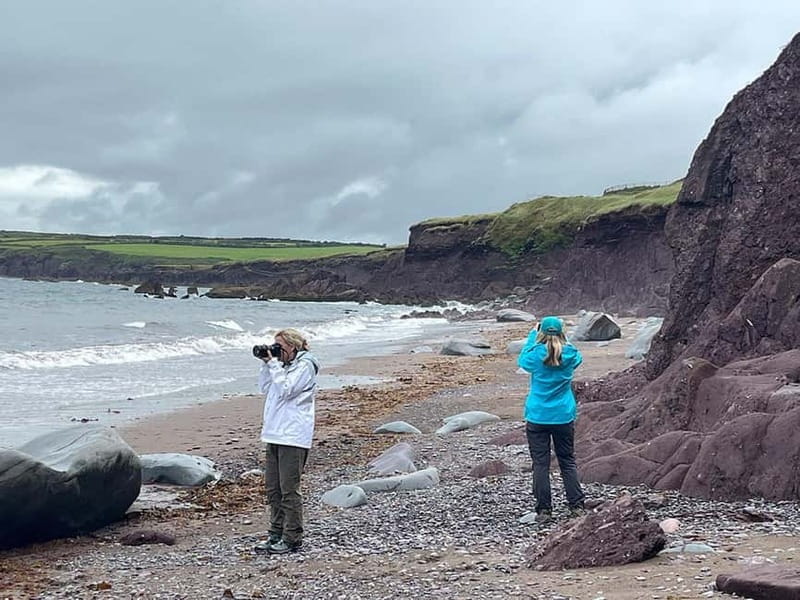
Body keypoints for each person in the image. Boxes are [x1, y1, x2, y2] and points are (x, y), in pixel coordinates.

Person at [255, 328, 319, 554]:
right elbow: (265, 387)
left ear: (293, 346)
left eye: (279, 347)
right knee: (273, 489)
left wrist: (273, 364)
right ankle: (275, 533)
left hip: (293, 435)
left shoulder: (305, 365)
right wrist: (267, 363)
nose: (276, 351)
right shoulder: (282, 366)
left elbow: (286, 390)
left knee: (289, 488)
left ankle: (292, 537)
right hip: (274, 433)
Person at [518, 316, 585, 524]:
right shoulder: (570, 354)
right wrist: (564, 338)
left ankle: (544, 510)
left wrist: (532, 335)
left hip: (538, 415)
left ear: (542, 333)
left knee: (540, 464)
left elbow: (522, 359)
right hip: (563, 415)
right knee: (567, 461)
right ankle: (576, 506)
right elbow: (576, 355)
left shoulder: (535, 355)